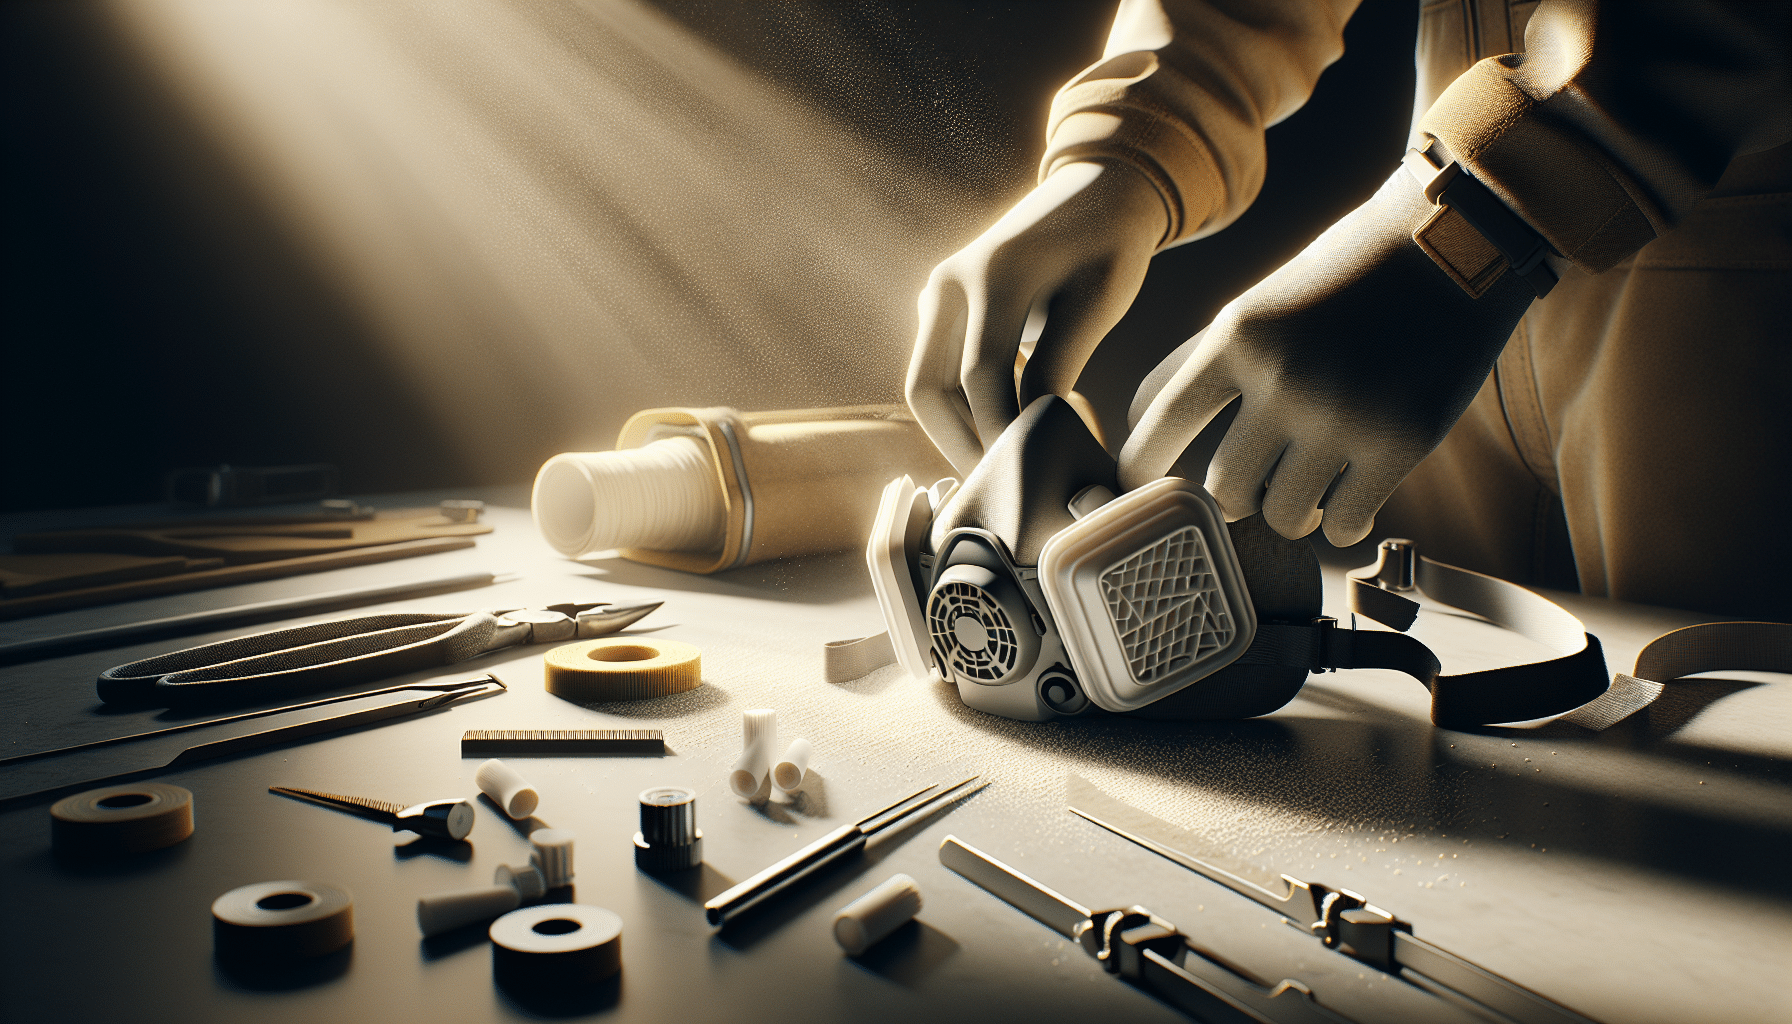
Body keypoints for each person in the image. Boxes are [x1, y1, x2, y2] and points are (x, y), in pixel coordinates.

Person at [905, 0, 1791, 619]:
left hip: (1730, 279)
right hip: (1431, 246)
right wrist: (1131, 140)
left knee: (1742, 769)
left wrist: (1484, 218)